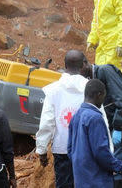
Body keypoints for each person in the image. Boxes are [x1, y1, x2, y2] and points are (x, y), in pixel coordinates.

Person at [81, 59, 122, 188]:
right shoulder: (91, 79)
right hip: (118, 124)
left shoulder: (105, 71)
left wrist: (118, 127)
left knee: (117, 165)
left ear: (85, 64)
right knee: (117, 164)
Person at [36, 50, 89, 188]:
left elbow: (47, 122)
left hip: (61, 148)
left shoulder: (53, 90)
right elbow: (101, 120)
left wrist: (41, 149)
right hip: (85, 149)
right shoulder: (90, 89)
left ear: (65, 65)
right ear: (83, 65)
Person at [68, 79, 122, 188]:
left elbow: (70, 149)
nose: (103, 100)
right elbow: (101, 152)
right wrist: (121, 168)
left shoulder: (76, 116)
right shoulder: (95, 118)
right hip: (96, 181)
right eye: (104, 96)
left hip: (80, 180)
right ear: (99, 94)